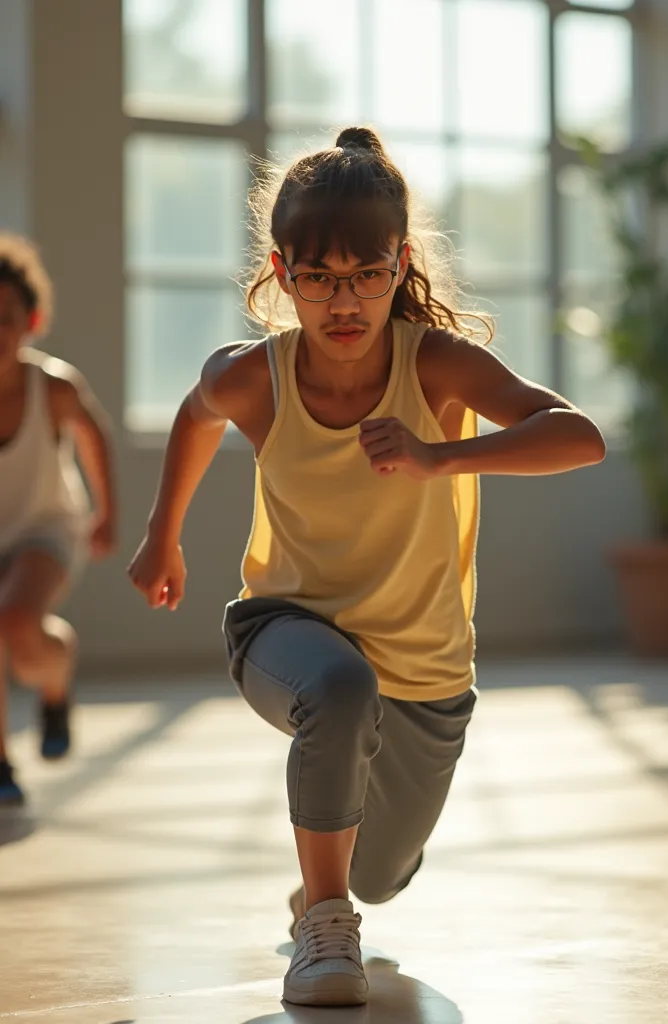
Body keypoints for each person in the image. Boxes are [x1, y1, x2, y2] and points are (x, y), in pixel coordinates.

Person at [128, 127, 606, 1008]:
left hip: (426, 669)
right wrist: (165, 535)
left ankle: (335, 884)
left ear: (401, 262)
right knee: (338, 692)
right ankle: (323, 918)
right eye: (318, 278)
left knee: (383, 876)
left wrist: (438, 457)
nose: (342, 301)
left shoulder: (436, 364)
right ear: (282, 274)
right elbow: (196, 417)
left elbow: (579, 435)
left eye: (366, 274)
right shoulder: (257, 378)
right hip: (284, 627)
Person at [0, 233, 117, 807]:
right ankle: (1, 764)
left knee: (16, 620)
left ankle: (54, 677)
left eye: (6, 317)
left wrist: (106, 515)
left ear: (32, 321)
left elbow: (95, 438)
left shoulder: (54, 386)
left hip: (45, 529)